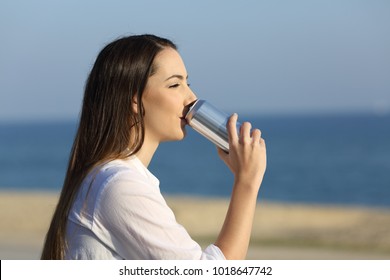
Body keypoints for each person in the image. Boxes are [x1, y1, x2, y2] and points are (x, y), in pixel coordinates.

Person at [41, 34, 267, 260]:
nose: (191, 98)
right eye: (175, 85)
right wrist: (246, 181)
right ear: (136, 100)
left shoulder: (106, 178)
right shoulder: (120, 186)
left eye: (187, 83)